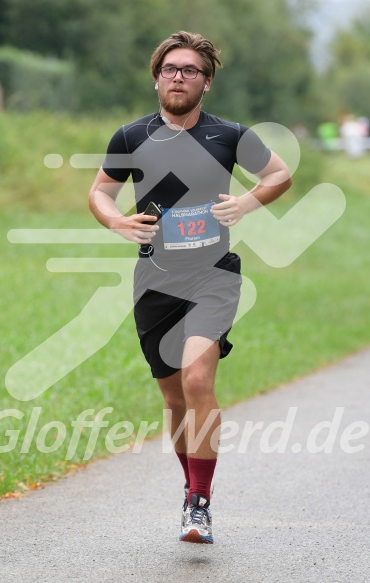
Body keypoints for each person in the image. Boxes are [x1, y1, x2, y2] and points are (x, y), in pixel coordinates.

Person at [89, 31, 292, 544]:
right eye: (170, 69)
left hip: (214, 274)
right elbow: (100, 192)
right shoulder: (131, 137)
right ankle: (192, 489)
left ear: (207, 82)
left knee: (199, 382)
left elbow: (280, 173)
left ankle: (199, 504)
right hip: (154, 278)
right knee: (174, 396)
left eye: (191, 71)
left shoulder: (231, 135)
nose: (179, 77)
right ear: (157, 76)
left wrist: (246, 204)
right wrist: (116, 222)